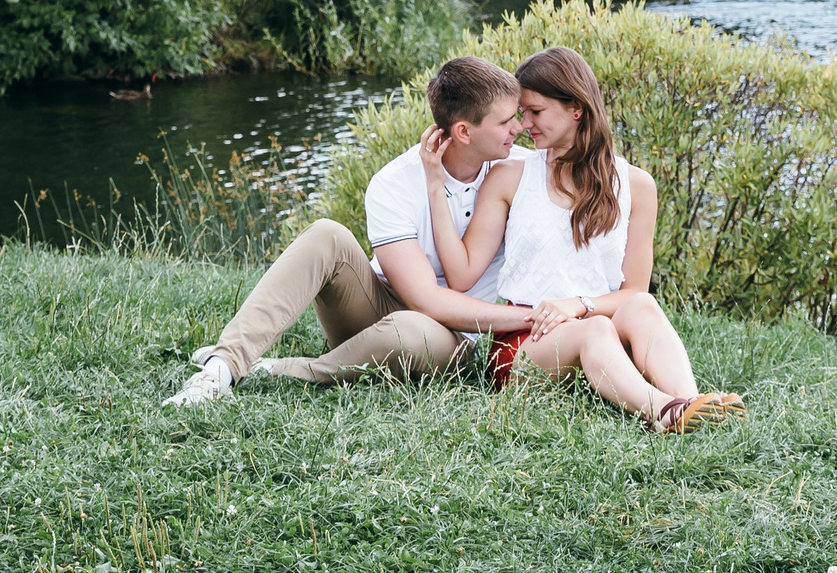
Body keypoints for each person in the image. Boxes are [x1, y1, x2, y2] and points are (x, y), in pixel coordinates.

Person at [163, 55, 532, 406]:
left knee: (408, 330)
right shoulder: (395, 182)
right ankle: (221, 369)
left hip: (449, 339)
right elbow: (424, 299)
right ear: (464, 131)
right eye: (505, 122)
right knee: (327, 233)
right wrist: (523, 317)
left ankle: (281, 369)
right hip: (376, 310)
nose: (519, 128)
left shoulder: (522, 172)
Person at [440, 47, 743, 433]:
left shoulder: (636, 185)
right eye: (522, 112)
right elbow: (462, 274)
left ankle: (690, 404)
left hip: (600, 330)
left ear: (576, 109)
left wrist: (579, 305)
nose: (524, 124)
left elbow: (633, 289)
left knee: (642, 305)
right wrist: (436, 188)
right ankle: (663, 412)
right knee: (596, 328)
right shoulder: (510, 176)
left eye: (536, 111)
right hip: (525, 343)